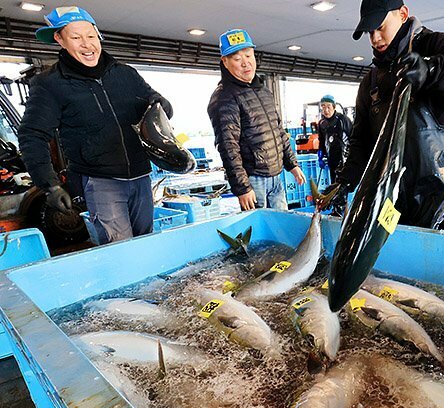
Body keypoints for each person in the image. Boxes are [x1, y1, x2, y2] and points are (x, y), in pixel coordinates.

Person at [18, 6, 172, 245]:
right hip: (101, 183)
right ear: (60, 39)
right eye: (76, 37)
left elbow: (158, 109)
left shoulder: (126, 74)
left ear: (98, 35)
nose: (87, 45)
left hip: (141, 177)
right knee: (120, 250)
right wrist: (49, 185)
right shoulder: (49, 84)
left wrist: (163, 105)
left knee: (146, 245)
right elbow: (32, 136)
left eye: (90, 36)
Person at [323, 0, 444, 228]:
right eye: (370, 32)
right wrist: (345, 181)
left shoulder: (432, 44)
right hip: (389, 198)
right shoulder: (370, 83)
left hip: (435, 197)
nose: (375, 38)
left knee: (432, 260)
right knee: (392, 258)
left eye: (380, 27)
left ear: (403, 13)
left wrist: (431, 69)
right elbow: (362, 141)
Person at [208, 29, 305, 211]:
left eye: (248, 55)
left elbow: (279, 131)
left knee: (280, 229)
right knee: (261, 235)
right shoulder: (224, 98)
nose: (246, 63)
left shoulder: (264, 91)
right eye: (237, 59)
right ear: (225, 62)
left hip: (276, 178)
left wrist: (292, 164)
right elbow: (228, 146)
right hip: (253, 181)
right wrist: (242, 188)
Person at [317, 94, 352, 184]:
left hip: (345, 160)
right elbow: (322, 141)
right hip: (331, 160)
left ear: (334, 107)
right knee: (334, 184)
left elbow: (353, 138)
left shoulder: (343, 119)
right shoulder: (321, 123)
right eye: (323, 107)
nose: (326, 110)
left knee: (344, 185)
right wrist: (321, 154)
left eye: (328, 107)